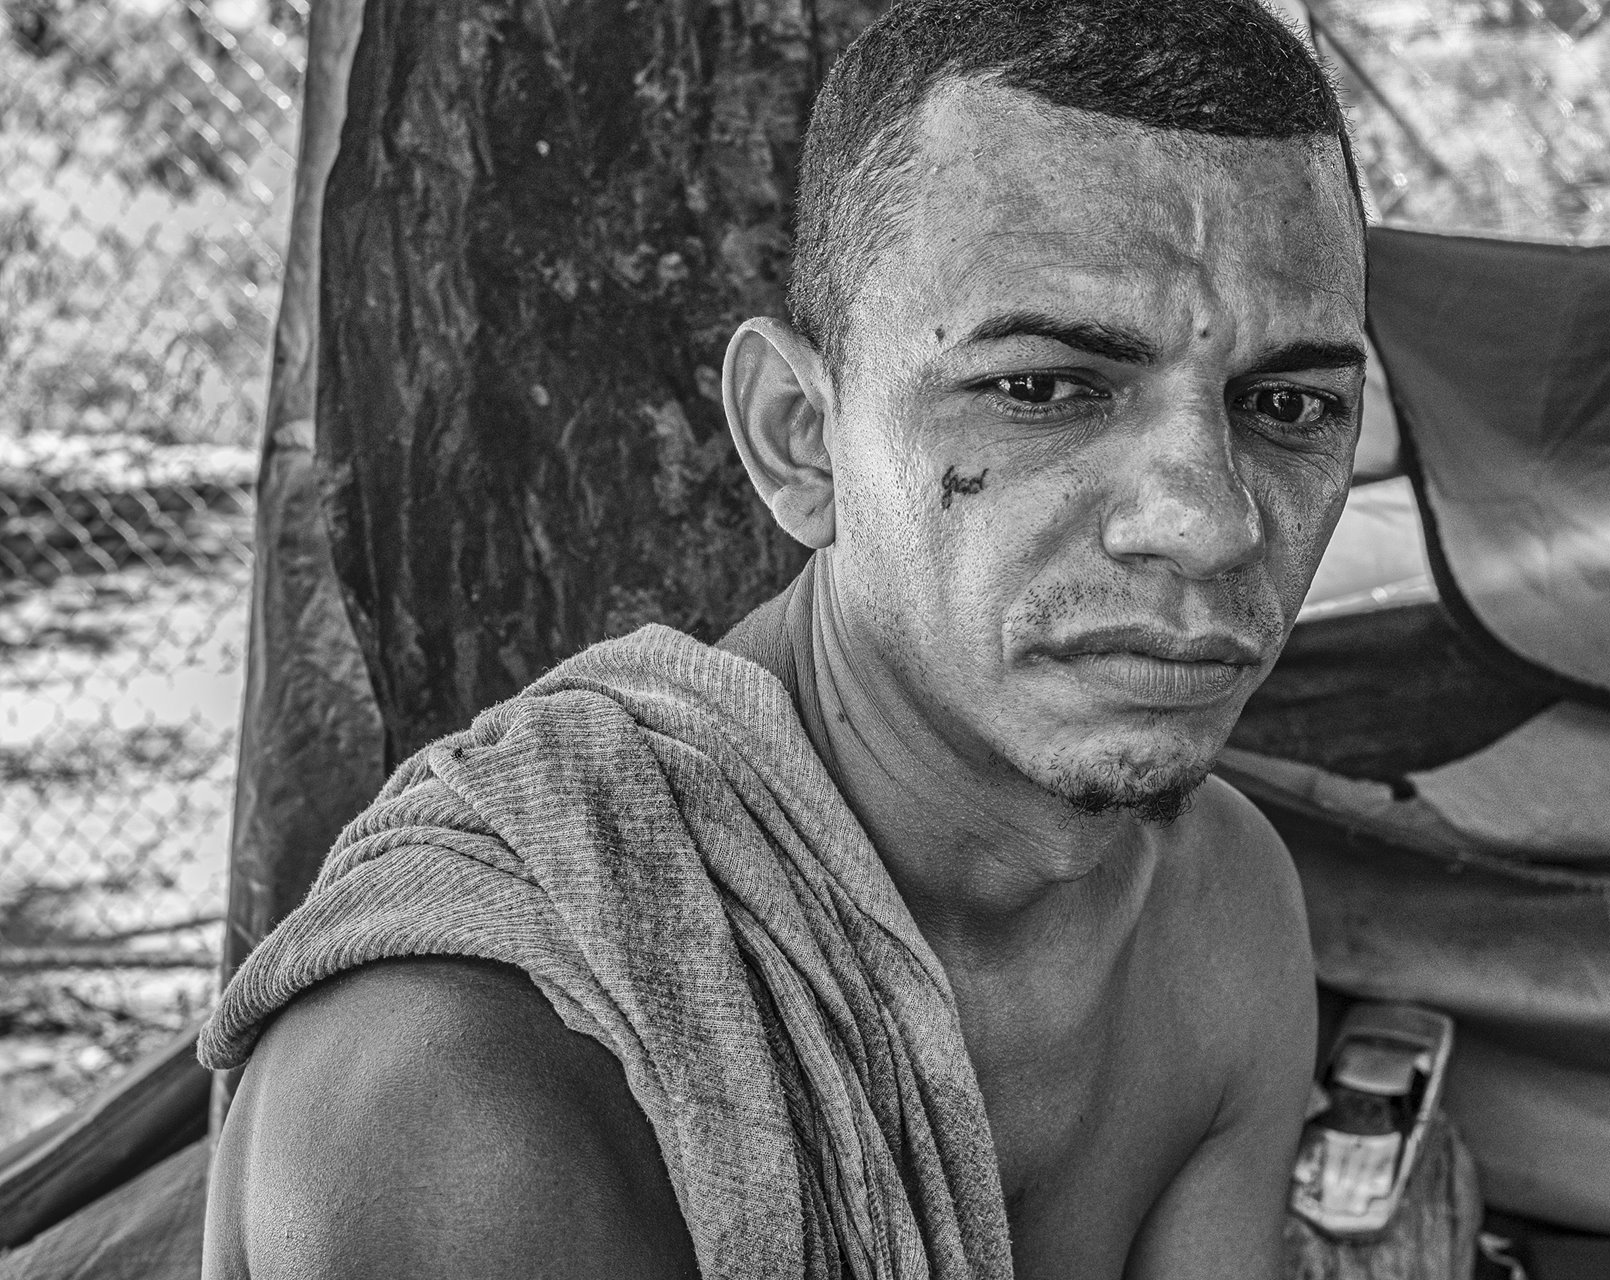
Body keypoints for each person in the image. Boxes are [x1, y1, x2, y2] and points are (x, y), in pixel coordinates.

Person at [198, 0, 1369, 1276]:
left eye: (1291, 403)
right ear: (800, 439)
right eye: (1043, 386)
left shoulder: (1220, 910)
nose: (1206, 522)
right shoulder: (462, 1078)